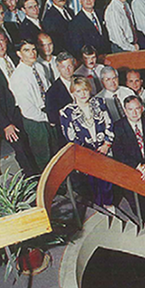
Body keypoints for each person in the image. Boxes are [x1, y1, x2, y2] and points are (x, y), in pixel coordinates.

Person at [0, 26, 38, 177]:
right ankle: (34, 187)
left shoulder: (16, 57)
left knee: (37, 145)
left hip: (27, 108)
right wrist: (5, 125)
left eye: (2, 41)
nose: (0, 45)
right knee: (22, 150)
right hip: (8, 117)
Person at [59, 76, 114, 209]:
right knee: (92, 182)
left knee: (108, 179)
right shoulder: (67, 112)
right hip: (85, 154)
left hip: (104, 149)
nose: (83, 94)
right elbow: (70, 136)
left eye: (85, 90)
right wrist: (87, 152)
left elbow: (109, 123)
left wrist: (107, 144)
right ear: (72, 92)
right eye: (78, 91)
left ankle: (109, 204)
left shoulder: (100, 103)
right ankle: (99, 206)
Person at [113, 95, 145, 229]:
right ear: (125, 110)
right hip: (130, 169)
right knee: (137, 201)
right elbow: (119, 153)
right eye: (130, 109)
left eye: (137, 109)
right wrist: (139, 167)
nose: (134, 113)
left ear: (142, 109)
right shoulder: (118, 127)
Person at [9, 38, 57, 172]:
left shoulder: (39, 67)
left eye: (34, 49)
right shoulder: (18, 78)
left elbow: (48, 91)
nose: (32, 53)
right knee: (44, 156)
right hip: (35, 121)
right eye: (27, 50)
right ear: (19, 54)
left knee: (56, 151)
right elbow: (28, 110)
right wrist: (49, 118)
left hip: (48, 113)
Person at [45, 51, 75, 135]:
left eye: (69, 66)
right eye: (63, 67)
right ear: (57, 68)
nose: (67, 70)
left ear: (74, 65)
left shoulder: (81, 80)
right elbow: (53, 119)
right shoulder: (52, 92)